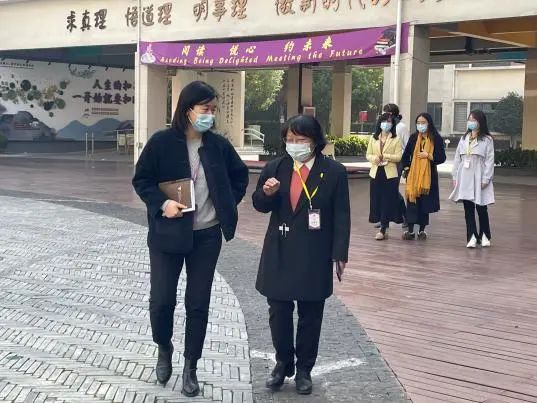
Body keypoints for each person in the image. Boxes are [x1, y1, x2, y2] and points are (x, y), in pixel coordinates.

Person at [132, 81, 249, 397]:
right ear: (187, 110)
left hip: (207, 236)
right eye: (205, 109)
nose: (210, 114)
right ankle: (164, 346)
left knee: (198, 303)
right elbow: (142, 180)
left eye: (213, 109)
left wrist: (225, 204)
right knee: (162, 300)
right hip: (167, 235)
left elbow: (240, 177)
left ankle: (190, 366)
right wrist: (162, 204)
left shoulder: (218, 146)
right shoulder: (161, 143)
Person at [252, 115, 350, 395]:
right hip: (280, 250)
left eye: (301, 139)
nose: (294, 144)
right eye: (290, 139)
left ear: (315, 141)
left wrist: (339, 253)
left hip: (314, 252)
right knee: (279, 311)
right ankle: (283, 363)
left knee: (311, 313)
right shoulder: (276, 167)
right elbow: (259, 204)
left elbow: (341, 215)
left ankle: (304, 369)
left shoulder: (333, 172)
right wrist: (267, 194)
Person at [449, 110, 495, 248]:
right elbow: (457, 158)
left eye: (474, 120)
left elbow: (490, 160)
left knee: (481, 206)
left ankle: (485, 235)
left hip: (480, 174)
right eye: (469, 119)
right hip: (465, 175)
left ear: (480, 122)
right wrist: (455, 176)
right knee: (468, 208)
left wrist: (486, 178)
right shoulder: (464, 138)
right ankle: (471, 236)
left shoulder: (487, 139)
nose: (471, 122)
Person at [402, 113, 446, 240]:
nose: (420, 125)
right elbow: (405, 156)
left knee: (424, 205)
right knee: (412, 203)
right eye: (418, 123)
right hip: (413, 177)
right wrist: (407, 169)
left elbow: (442, 157)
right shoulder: (413, 138)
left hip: (428, 177)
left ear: (429, 123)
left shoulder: (435, 138)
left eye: (423, 122)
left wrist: (429, 155)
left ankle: (422, 230)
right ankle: (410, 231)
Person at [366, 112, 403, 240]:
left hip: (390, 174)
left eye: (389, 122)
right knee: (377, 200)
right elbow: (368, 154)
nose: (386, 124)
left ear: (392, 124)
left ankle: (383, 228)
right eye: (384, 121)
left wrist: (385, 156)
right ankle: (381, 223)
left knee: (387, 200)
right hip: (376, 172)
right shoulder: (373, 138)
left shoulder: (396, 139)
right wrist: (374, 158)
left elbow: (398, 157)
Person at [383, 103, 409, 228]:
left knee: (392, 190)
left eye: (386, 114)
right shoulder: (386, 127)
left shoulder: (401, 127)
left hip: (397, 162)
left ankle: (405, 215)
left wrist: (406, 165)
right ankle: (384, 219)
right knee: (385, 190)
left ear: (393, 114)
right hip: (385, 161)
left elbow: (407, 146)